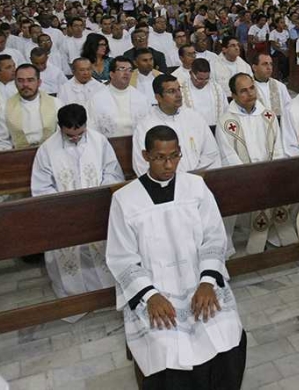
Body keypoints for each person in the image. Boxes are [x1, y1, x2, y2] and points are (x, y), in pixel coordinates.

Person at [106, 125, 247, 388]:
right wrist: (151, 296)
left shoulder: (196, 187)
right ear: (146, 155)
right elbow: (121, 257)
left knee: (227, 332)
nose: (169, 165)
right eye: (160, 157)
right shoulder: (126, 200)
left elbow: (214, 237)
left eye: (175, 156)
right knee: (167, 349)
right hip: (156, 290)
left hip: (199, 280)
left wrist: (207, 283)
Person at [31, 104, 123, 310]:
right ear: (60, 127)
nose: (75, 138)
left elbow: (113, 172)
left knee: (102, 253)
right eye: (69, 135)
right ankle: (75, 300)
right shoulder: (46, 150)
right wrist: (66, 208)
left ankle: (106, 295)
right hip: (63, 215)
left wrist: (98, 197)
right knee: (69, 260)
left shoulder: (100, 142)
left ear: (86, 125)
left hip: (97, 210)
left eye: (80, 134)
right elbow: (41, 187)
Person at [216, 73, 287, 254]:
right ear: (233, 95)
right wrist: (251, 177)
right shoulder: (225, 122)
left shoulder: (268, 115)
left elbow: (278, 147)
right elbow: (228, 156)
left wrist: (274, 172)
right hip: (244, 180)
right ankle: (250, 233)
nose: (250, 94)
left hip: (271, 176)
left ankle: (274, 233)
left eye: (252, 88)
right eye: (243, 91)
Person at [131, 75, 221, 177]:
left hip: (200, 179)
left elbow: (211, 153)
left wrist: (197, 177)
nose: (179, 95)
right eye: (171, 91)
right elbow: (142, 165)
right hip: (165, 185)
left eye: (179, 89)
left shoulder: (194, 117)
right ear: (158, 97)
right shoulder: (145, 126)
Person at [0, 64, 63, 151]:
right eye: (20, 81)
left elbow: (63, 134)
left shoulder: (56, 103)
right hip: (18, 157)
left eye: (30, 80)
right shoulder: (4, 108)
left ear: (39, 82)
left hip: (51, 153)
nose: (25, 85)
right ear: (15, 83)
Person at [88, 56, 151, 137]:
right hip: (107, 144)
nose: (127, 73)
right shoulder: (97, 99)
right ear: (111, 74)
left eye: (130, 70)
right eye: (122, 69)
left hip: (137, 143)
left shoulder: (142, 98)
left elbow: (148, 126)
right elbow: (92, 129)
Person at [179, 59, 228, 131]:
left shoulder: (217, 88)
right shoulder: (181, 90)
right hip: (192, 130)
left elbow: (226, 110)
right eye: (199, 79)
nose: (203, 82)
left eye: (206, 79)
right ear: (190, 73)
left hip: (217, 129)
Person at [251, 52, 291, 117]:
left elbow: (289, 109)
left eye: (271, 64)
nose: (269, 67)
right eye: (265, 64)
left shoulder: (280, 86)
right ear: (254, 67)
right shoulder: (248, 87)